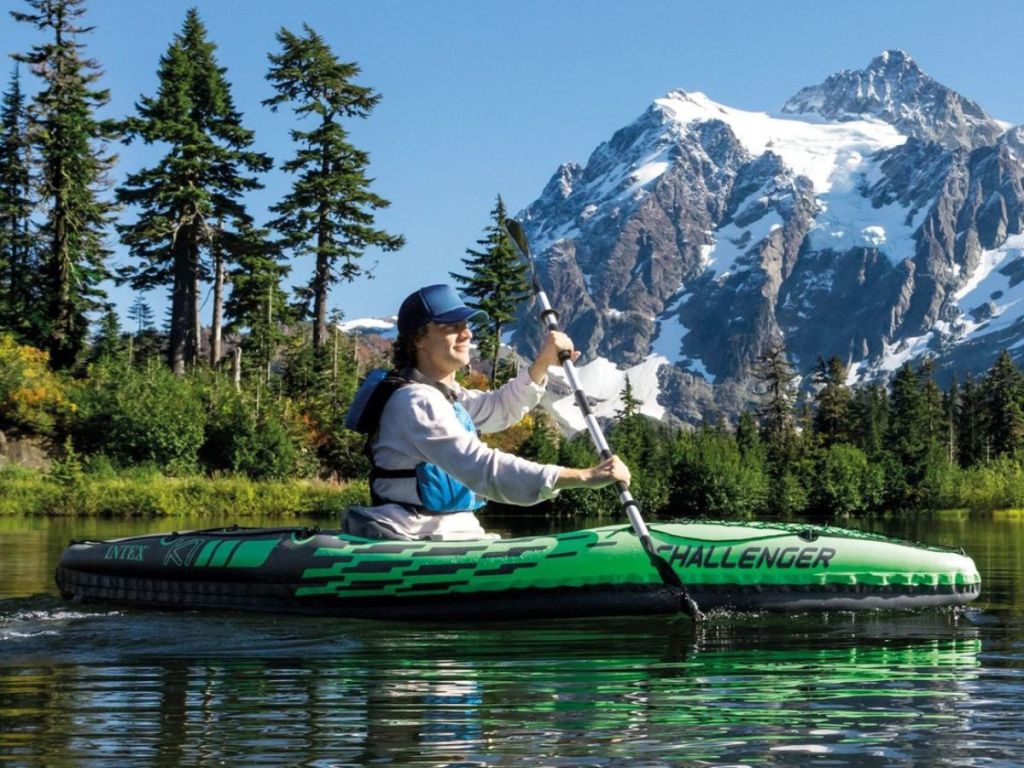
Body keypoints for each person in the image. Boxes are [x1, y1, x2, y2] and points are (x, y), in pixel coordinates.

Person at [343, 283, 631, 541]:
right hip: (412, 532)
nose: (466, 333)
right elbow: (481, 467)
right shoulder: (415, 401)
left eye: (466, 325)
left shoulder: (446, 398)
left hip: (450, 533)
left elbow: (500, 408)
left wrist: (542, 364)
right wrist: (579, 477)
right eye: (451, 326)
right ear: (419, 338)